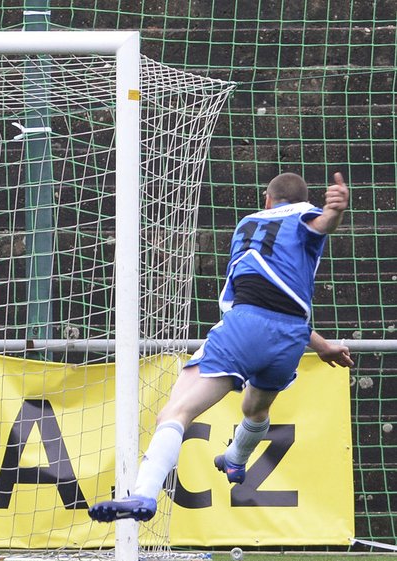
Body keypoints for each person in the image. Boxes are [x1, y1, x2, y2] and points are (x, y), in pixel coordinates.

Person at [89, 172, 354, 522]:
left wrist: (331, 215)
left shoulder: (249, 223)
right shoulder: (304, 216)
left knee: (175, 412)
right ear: (302, 200)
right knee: (255, 409)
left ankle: (143, 495)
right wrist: (335, 209)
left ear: (267, 198)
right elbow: (319, 230)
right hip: (290, 337)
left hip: (245, 328)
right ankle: (236, 459)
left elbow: (310, 235)